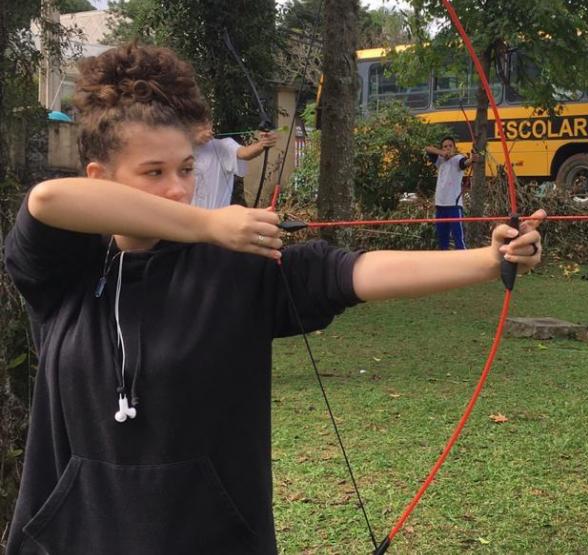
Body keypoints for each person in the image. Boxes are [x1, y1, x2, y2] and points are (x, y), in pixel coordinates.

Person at [2, 44, 544, 555]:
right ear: (101, 176)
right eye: (154, 173)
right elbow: (49, 199)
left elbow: (353, 272)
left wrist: (488, 259)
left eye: (187, 169)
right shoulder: (67, 272)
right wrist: (208, 222)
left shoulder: (234, 267)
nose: (178, 187)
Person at [191, 122, 278, 209]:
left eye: (208, 123)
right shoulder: (180, 149)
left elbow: (244, 153)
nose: (206, 128)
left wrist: (262, 144)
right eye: (199, 123)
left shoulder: (223, 146)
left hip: (217, 220)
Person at [425, 137, 478, 250]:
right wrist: (442, 153)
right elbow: (428, 149)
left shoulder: (458, 158)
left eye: (450, 146)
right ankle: (444, 264)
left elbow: (465, 163)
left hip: (454, 205)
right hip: (440, 205)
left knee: (458, 238)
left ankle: (464, 262)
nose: (448, 148)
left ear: (454, 148)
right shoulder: (440, 160)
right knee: (442, 238)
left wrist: (471, 159)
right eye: (445, 146)